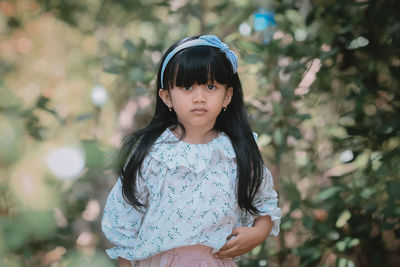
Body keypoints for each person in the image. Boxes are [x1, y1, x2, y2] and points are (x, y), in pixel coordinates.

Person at [101, 35, 281, 267]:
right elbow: (124, 218)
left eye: (210, 86)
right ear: (167, 97)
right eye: (186, 87)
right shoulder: (152, 152)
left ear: (227, 95)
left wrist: (258, 234)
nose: (199, 98)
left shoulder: (238, 151)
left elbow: (264, 204)